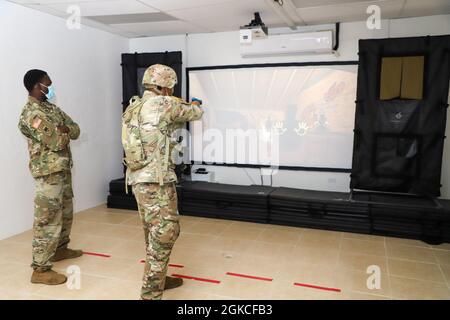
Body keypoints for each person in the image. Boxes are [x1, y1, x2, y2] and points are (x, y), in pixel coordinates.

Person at [123, 64, 204, 300]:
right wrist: (196, 104)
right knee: (166, 232)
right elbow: (195, 113)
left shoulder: (133, 107)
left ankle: (158, 277)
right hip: (156, 181)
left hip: (138, 179)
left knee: (152, 232)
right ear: (165, 86)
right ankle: (150, 293)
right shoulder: (164, 104)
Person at [18, 69, 82, 285]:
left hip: (62, 170)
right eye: (48, 84)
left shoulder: (51, 109)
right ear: (37, 86)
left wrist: (62, 129)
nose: (51, 87)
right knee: (47, 221)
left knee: (65, 212)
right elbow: (56, 142)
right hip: (48, 174)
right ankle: (40, 269)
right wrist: (62, 131)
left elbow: (76, 130)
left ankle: (60, 249)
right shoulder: (32, 114)